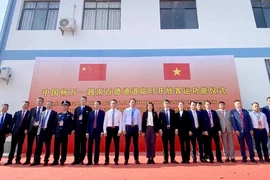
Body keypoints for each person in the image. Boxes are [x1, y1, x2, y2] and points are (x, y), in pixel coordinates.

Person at [31, 101, 57, 166]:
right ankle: (36, 160)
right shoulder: (42, 112)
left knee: (47, 147)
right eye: (47, 104)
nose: (48, 105)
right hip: (40, 131)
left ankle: (46, 160)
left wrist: (53, 132)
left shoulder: (54, 113)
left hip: (48, 132)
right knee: (38, 146)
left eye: (50, 104)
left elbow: (55, 124)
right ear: (46, 105)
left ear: (52, 105)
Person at [4, 101, 29, 165]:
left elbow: (29, 123)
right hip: (15, 132)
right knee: (12, 146)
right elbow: (12, 122)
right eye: (24, 104)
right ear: (22, 105)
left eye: (26, 105)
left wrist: (26, 129)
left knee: (20, 147)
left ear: (28, 106)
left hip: (22, 132)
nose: (25, 105)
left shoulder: (29, 113)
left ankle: (18, 160)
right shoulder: (17, 113)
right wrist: (10, 131)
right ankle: (9, 160)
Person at [24, 97, 46, 165]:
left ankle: (37, 160)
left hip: (40, 129)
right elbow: (28, 120)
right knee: (29, 145)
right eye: (37, 101)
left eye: (40, 101)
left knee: (38, 145)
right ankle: (27, 159)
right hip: (31, 129)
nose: (39, 102)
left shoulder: (45, 109)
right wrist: (26, 128)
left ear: (42, 102)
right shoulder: (32, 109)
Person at [51, 100, 73, 166]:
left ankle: (62, 160)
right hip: (57, 133)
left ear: (68, 106)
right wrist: (54, 133)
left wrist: (69, 133)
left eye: (66, 105)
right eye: (63, 105)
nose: (64, 106)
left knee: (64, 147)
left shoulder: (70, 115)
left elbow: (71, 125)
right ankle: (55, 160)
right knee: (56, 147)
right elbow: (55, 124)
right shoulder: (58, 114)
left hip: (65, 133)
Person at [72, 96, 92, 165]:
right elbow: (74, 119)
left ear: (86, 101)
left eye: (84, 100)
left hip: (84, 130)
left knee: (83, 145)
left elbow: (89, 121)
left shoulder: (89, 109)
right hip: (77, 130)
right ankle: (76, 159)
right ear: (80, 101)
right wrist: (73, 128)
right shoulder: (77, 109)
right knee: (76, 145)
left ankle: (81, 159)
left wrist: (88, 130)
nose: (83, 101)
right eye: (82, 100)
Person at [123, 98, 142, 165]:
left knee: (135, 145)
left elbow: (139, 120)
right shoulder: (126, 110)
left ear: (135, 103)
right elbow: (124, 120)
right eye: (131, 102)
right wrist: (123, 129)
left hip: (135, 128)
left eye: (134, 102)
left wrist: (140, 129)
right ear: (129, 103)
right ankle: (126, 160)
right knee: (127, 145)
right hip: (128, 127)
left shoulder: (137, 111)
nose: (132, 103)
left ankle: (136, 159)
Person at [103, 99, 122, 165]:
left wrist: (120, 130)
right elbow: (105, 122)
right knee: (107, 145)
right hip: (109, 129)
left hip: (116, 129)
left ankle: (116, 160)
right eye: (112, 103)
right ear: (110, 105)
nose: (113, 104)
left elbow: (121, 122)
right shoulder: (107, 112)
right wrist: (105, 130)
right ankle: (106, 160)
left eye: (114, 103)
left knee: (116, 145)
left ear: (116, 104)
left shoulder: (119, 112)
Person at [159, 99, 178, 164]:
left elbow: (175, 121)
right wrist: (160, 129)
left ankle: (173, 159)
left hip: (171, 130)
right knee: (165, 145)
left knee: (172, 145)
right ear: (163, 104)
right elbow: (160, 122)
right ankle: (165, 159)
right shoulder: (161, 112)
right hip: (164, 131)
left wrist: (176, 129)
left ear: (169, 104)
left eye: (167, 103)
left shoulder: (173, 111)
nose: (166, 104)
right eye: (165, 103)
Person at [86, 101, 105, 165]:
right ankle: (89, 161)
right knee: (89, 147)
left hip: (98, 132)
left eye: (97, 104)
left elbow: (103, 123)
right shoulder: (90, 113)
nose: (96, 105)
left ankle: (96, 161)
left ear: (99, 105)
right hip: (91, 132)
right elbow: (88, 123)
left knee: (97, 146)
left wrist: (102, 131)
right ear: (94, 105)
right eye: (95, 104)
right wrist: (87, 132)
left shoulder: (102, 113)